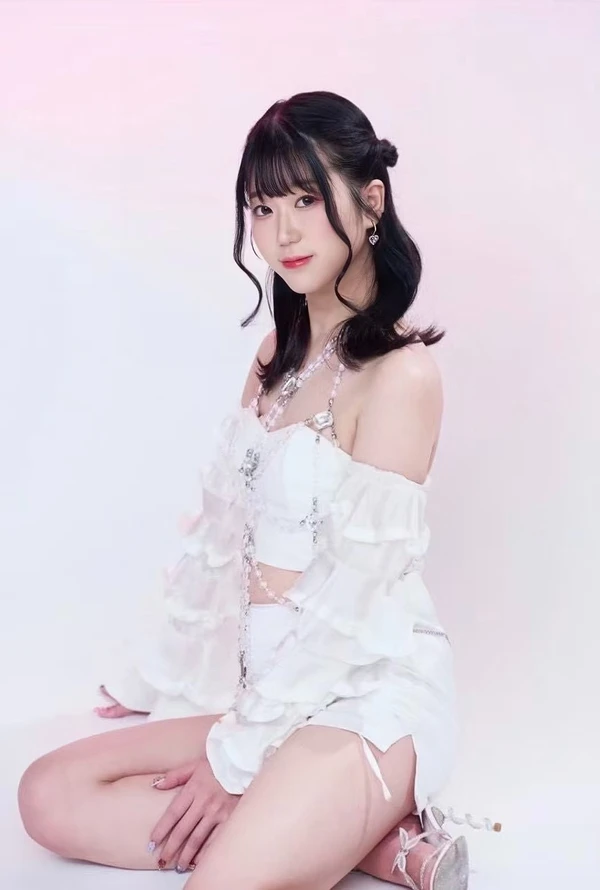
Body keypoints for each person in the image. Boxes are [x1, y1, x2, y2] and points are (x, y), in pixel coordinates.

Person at [17, 90, 500, 890]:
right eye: (262, 208)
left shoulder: (400, 374)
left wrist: (235, 760)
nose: (282, 234)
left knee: (219, 884)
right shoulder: (277, 356)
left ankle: (336, 812)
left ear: (371, 202)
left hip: (364, 695)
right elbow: (222, 541)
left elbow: (355, 606)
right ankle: (373, 842)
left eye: (306, 201)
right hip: (271, 693)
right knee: (48, 794)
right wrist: (157, 680)